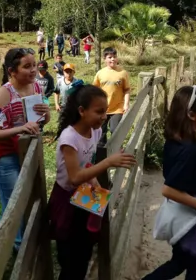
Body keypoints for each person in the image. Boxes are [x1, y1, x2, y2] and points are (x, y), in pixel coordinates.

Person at [47, 84, 136, 280]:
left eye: (105, 111)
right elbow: (74, 177)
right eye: (99, 112)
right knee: (70, 259)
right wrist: (107, 163)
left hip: (85, 194)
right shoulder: (69, 138)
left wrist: (95, 180)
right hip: (67, 200)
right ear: (82, 111)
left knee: (85, 248)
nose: (104, 116)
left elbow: (86, 163)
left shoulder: (94, 131)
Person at [143, 84, 196, 280]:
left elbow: (176, 173)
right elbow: (168, 189)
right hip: (186, 219)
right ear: (191, 114)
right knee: (195, 269)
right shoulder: (188, 149)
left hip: (179, 214)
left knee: (180, 263)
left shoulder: (176, 140)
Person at [0, 48, 50, 256]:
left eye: (34, 65)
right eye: (27, 66)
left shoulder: (36, 86)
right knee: (12, 209)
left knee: (27, 200)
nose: (33, 70)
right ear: (12, 71)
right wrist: (20, 128)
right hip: (6, 158)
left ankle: (20, 245)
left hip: (27, 152)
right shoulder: (4, 93)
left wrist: (46, 115)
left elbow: (41, 122)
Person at [93, 47, 130, 149]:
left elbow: (126, 89)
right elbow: (94, 91)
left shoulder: (123, 73)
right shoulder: (100, 73)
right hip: (102, 109)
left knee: (115, 131)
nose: (112, 59)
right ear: (105, 59)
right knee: (101, 132)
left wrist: (126, 104)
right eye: (110, 57)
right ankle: (101, 154)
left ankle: (117, 153)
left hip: (117, 108)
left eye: (114, 57)